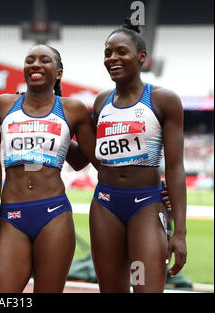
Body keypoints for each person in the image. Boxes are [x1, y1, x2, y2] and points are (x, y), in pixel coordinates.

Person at [0, 44, 99, 293]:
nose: (36, 64)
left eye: (44, 60)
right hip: (11, 215)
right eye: (30, 60)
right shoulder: (3, 105)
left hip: (53, 214)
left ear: (58, 72)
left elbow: (86, 161)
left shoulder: (73, 109)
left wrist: (59, 134)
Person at [89, 20, 187, 292]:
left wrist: (179, 231)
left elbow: (176, 168)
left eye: (121, 51)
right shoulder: (100, 102)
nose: (112, 59)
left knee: (145, 287)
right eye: (107, 53)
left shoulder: (164, 100)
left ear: (142, 57)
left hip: (146, 204)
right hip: (105, 204)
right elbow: (83, 152)